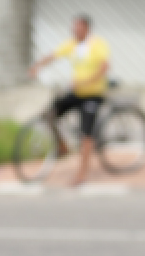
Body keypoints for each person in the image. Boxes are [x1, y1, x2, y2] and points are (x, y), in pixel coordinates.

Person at [27, 14, 110, 187]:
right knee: (49, 115)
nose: (75, 30)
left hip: (93, 93)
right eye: (73, 27)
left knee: (85, 133)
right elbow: (53, 55)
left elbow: (104, 68)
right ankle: (62, 147)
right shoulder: (72, 44)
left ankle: (82, 173)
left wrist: (86, 81)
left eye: (78, 27)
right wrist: (37, 66)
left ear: (86, 28)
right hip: (76, 92)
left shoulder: (98, 44)